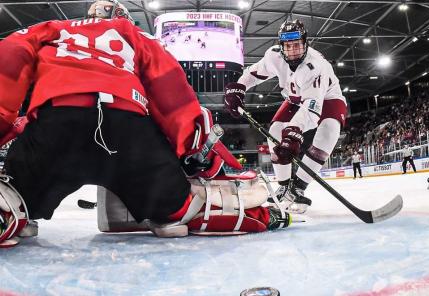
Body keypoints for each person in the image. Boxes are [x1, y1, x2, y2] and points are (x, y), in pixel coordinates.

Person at [0, 0, 290, 247]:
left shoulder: (49, 29)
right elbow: (171, 93)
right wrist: (190, 149)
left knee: (14, 201)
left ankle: (10, 214)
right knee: (182, 211)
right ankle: (257, 214)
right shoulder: (133, 33)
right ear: (122, 19)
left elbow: (9, 58)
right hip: (126, 129)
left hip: (55, 125)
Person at [224, 19, 347, 215]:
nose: (292, 51)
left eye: (297, 45)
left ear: (305, 43)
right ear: (281, 46)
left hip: (328, 98)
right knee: (274, 132)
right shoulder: (274, 56)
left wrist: (294, 131)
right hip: (294, 98)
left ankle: (298, 187)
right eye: (288, 46)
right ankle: (283, 187)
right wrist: (239, 88)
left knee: (329, 131)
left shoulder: (315, 66)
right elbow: (254, 73)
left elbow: (312, 108)